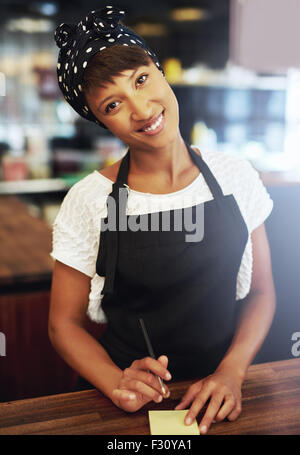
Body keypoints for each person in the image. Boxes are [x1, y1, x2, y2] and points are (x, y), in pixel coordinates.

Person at [49, 5, 276, 435]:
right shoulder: (90, 199)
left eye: (141, 79)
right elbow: (63, 325)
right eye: (114, 103)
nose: (141, 109)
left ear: (158, 68)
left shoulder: (234, 176)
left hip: (222, 394)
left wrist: (232, 372)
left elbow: (262, 291)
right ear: (99, 120)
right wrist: (115, 381)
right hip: (127, 405)